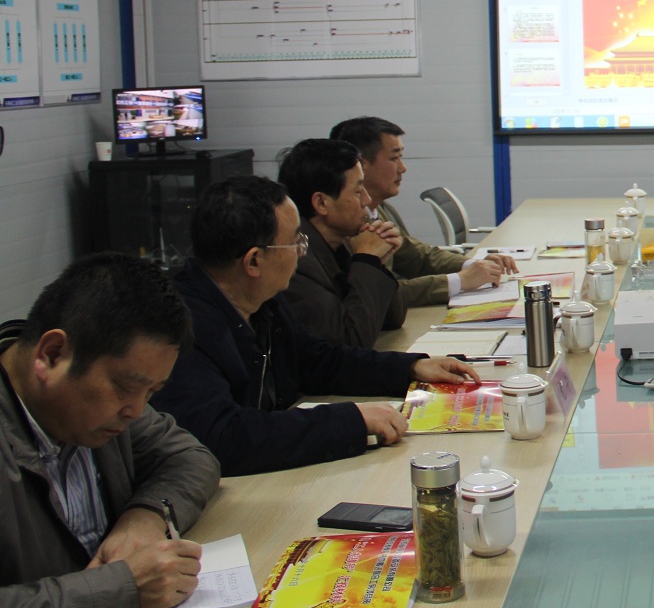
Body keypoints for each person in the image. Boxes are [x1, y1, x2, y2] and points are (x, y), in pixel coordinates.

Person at [157, 176, 479, 476]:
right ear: (254, 261)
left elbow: (318, 360)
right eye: (295, 242)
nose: (301, 252)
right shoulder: (180, 328)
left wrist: (410, 368)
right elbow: (224, 438)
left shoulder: (260, 302)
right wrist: (350, 419)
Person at [0, 253, 220, 608]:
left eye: (152, 393)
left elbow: (190, 457)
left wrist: (145, 517)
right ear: (52, 354)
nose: (136, 411)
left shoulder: (95, 410)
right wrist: (122, 589)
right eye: (125, 387)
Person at [329, 116, 514, 306]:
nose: (403, 168)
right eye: (394, 158)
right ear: (361, 165)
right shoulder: (343, 225)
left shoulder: (380, 209)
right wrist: (460, 280)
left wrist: (471, 265)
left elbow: (416, 257)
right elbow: (382, 293)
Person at [278, 138, 406, 346]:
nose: (367, 200)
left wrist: (377, 263)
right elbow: (350, 341)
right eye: (358, 191)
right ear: (321, 203)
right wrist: (366, 261)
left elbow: (392, 319)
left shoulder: (344, 243)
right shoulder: (297, 261)